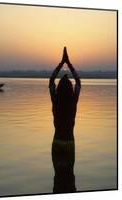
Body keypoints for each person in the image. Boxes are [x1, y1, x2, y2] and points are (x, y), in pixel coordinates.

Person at [49, 47, 81, 193]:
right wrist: (69, 63)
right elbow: (79, 83)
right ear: (70, 88)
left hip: (57, 143)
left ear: (59, 88)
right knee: (69, 178)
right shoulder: (73, 102)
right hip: (69, 143)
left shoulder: (55, 101)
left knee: (58, 180)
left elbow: (50, 82)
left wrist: (62, 63)